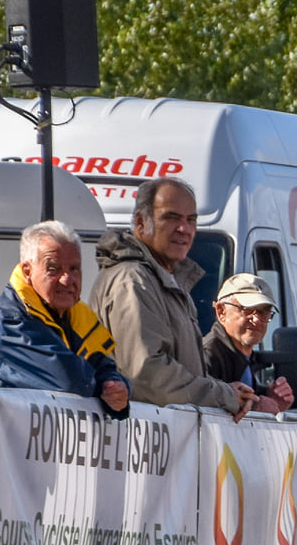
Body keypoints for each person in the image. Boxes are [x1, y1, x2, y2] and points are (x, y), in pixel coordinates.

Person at [93, 177, 253, 417]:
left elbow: (185, 373)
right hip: (139, 447)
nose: (184, 229)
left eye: (191, 220)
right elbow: (147, 376)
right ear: (140, 222)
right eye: (171, 217)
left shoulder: (167, 280)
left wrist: (228, 391)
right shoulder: (133, 281)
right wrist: (222, 395)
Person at [0, 221, 129, 411]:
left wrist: (116, 387)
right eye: (53, 269)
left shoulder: (77, 315)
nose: (67, 279)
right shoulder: (10, 321)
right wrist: (105, 389)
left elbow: (103, 365)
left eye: (74, 269)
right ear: (27, 271)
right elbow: (70, 381)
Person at [201, 274, 294, 413]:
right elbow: (201, 409)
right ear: (221, 311)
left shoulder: (242, 354)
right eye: (247, 309)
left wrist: (274, 400)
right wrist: (257, 408)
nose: (256, 320)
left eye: (265, 312)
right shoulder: (209, 355)